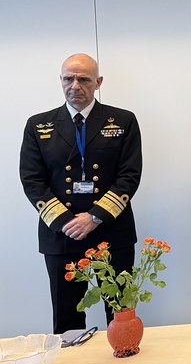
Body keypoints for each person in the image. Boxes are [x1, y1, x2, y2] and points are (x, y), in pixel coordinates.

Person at [20, 53, 142, 335]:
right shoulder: (38, 125)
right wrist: (66, 222)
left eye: (83, 79)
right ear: (60, 81)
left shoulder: (122, 120)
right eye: (68, 79)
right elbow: (32, 179)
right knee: (67, 319)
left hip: (111, 231)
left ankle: (124, 359)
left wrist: (94, 217)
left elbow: (129, 176)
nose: (75, 85)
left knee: (121, 314)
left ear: (98, 82)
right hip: (61, 234)